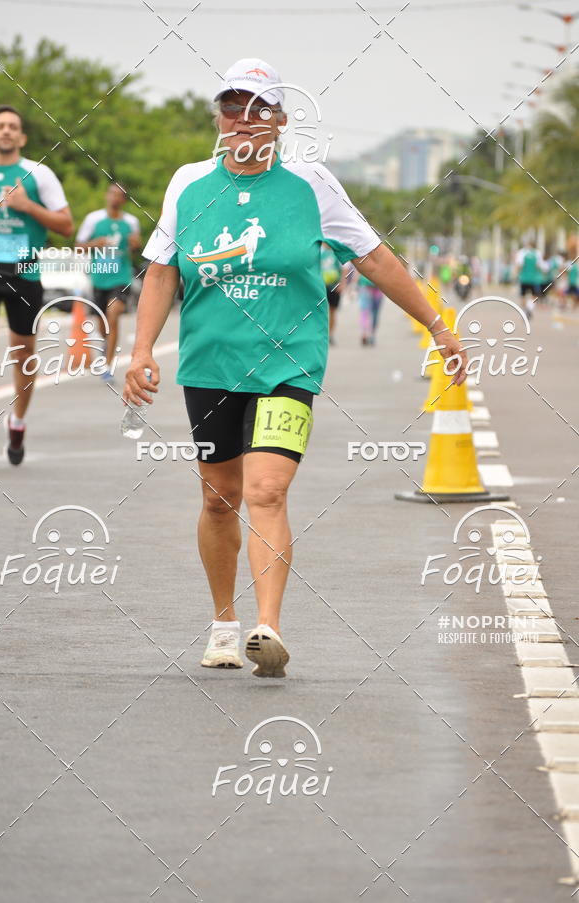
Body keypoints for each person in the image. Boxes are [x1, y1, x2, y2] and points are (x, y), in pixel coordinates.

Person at [123, 58, 467, 679]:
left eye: (259, 108)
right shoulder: (188, 183)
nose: (244, 119)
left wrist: (438, 324)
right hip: (209, 364)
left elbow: (376, 258)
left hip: (289, 364)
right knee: (220, 498)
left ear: (281, 121)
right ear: (219, 118)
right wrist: (142, 349)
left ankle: (267, 631)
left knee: (266, 490)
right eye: (233, 107)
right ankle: (225, 623)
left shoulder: (312, 185)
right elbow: (163, 269)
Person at [0, 105, 73, 465]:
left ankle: (17, 421)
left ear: (22, 137)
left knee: (23, 358)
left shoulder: (38, 174)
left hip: (25, 272)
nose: (6, 131)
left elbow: (65, 225)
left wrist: (26, 205)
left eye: (12, 127)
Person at [76, 184, 141, 382]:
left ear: (124, 200)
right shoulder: (93, 219)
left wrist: (135, 244)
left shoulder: (131, 221)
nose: (115, 198)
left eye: (119, 195)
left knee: (113, 315)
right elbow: (78, 248)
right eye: (112, 193)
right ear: (106, 196)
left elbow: (136, 245)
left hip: (121, 277)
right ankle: (106, 344)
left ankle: (107, 365)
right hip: (99, 277)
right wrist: (94, 244)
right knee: (103, 323)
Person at [515, 240, 544, 317]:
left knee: (523, 296)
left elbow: (519, 265)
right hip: (534, 278)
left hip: (523, 278)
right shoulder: (537, 253)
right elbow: (539, 266)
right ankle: (529, 308)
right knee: (534, 295)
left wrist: (517, 274)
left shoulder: (522, 252)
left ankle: (526, 310)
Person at [320, 242, 342, 344]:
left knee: (333, 311)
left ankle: (330, 334)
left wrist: (342, 284)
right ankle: (321, 334)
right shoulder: (319, 253)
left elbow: (344, 269)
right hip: (321, 286)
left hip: (334, 286)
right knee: (321, 311)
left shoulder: (336, 253)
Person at [357, 272, 383, 345]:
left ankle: (368, 334)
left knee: (371, 313)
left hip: (374, 288)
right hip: (369, 287)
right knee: (368, 312)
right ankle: (367, 334)